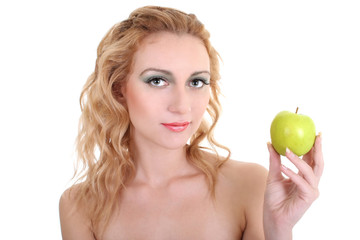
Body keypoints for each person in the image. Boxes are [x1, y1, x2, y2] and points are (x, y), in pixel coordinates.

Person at [59, 6, 324, 240]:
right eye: (157, 81)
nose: (182, 106)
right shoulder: (80, 207)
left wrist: (279, 229)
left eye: (196, 82)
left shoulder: (250, 185)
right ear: (118, 89)